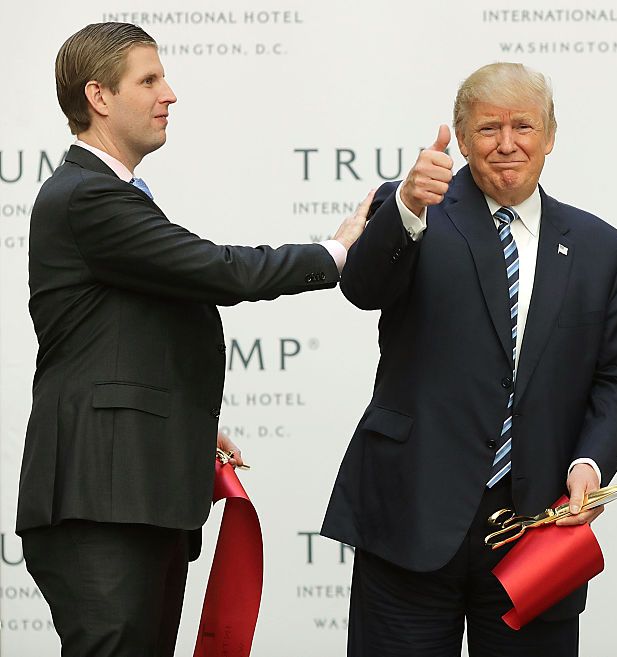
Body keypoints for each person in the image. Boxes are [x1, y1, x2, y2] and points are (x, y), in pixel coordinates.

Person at [16, 22, 370, 657]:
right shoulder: (86, 196)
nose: (169, 94)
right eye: (148, 80)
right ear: (98, 97)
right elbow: (219, 270)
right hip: (104, 499)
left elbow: (122, 337)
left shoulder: (107, 198)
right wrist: (336, 252)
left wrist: (186, 420)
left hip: (137, 494)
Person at [320, 62, 617, 656]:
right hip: (412, 514)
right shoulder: (418, 215)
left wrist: (590, 465)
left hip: (537, 528)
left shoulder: (601, 247)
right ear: (462, 139)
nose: (507, 143)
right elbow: (362, 288)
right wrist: (406, 209)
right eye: (488, 128)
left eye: (524, 126)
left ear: (550, 136)